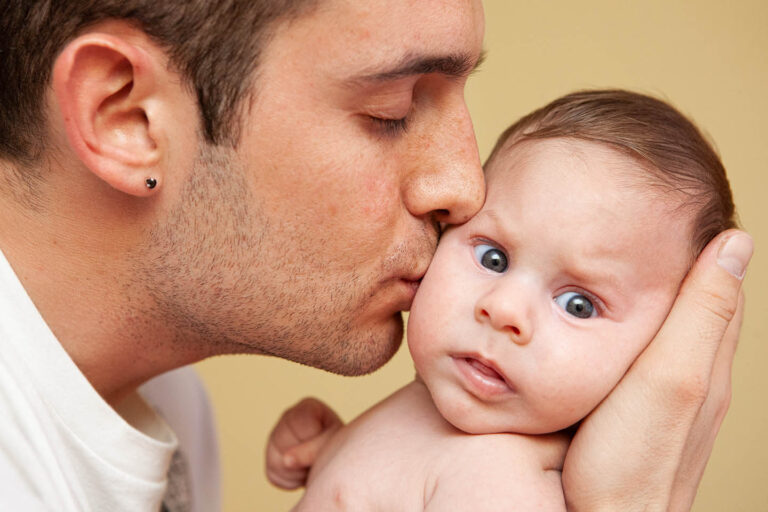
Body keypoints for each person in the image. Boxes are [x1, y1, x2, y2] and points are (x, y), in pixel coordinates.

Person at [0, 0, 750, 510]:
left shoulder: (167, 404)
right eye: (390, 112)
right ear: (124, 116)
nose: (465, 187)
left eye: (581, 303)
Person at [266, 89, 745, 510]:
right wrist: (332, 448)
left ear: (653, 356)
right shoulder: (432, 412)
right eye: (493, 258)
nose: (504, 309)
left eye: (578, 304)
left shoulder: (499, 483)